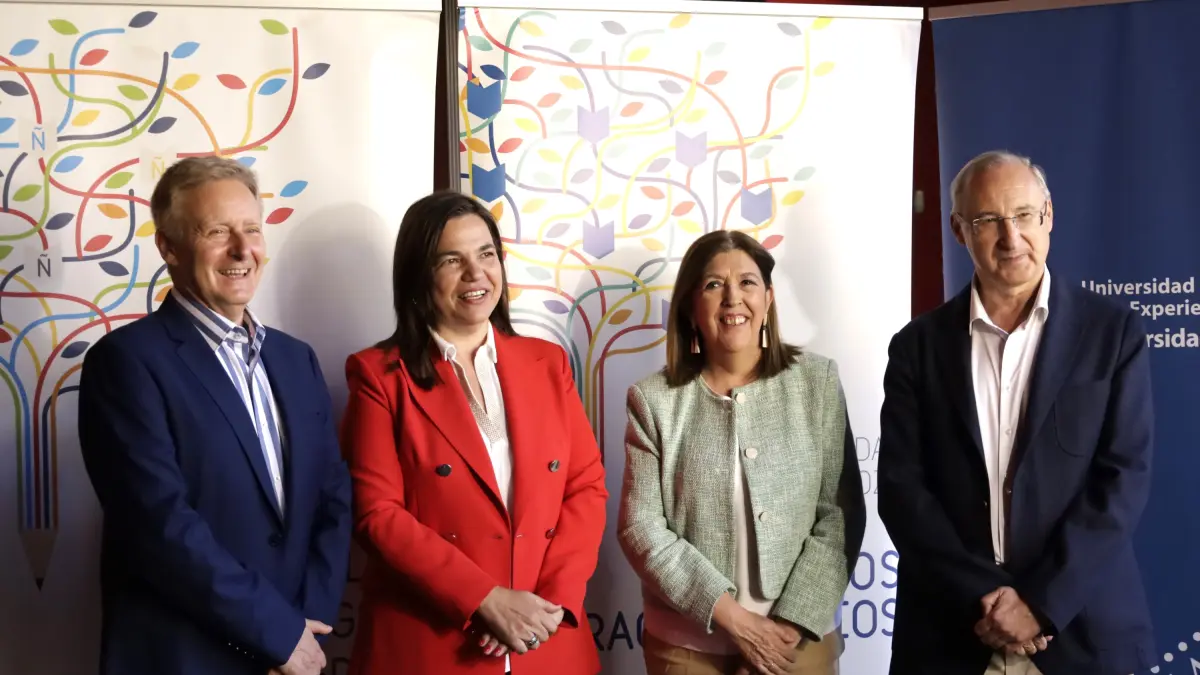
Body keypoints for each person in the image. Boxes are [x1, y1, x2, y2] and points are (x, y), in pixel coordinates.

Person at [878, 150, 1156, 675]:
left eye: (1024, 215)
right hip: (951, 636)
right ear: (959, 230)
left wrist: (1040, 604)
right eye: (988, 220)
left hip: (1081, 635)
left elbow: (1122, 480)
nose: (1011, 237)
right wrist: (983, 597)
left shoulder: (1112, 333)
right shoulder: (917, 347)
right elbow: (902, 489)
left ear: (1048, 215)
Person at [77, 156, 352, 675]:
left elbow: (332, 499)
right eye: (217, 232)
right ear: (169, 247)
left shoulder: (296, 359)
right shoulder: (125, 362)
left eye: (252, 229)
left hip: (298, 652)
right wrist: (276, 633)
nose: (242, 249)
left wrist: (305, 627)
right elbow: (158, 525)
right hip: (184, 657)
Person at [339, 190, 608, 675]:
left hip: (548, 640)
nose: (475, 273)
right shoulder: (379, 376)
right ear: (419, 275)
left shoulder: (547, 362)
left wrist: (551, 604)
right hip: (432, 646)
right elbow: (377, 513)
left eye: (486, 254)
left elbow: (585, 487)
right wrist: (483, 599)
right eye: (451, 260)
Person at [618, 230, 866, 675]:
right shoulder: (653, 400)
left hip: (797, 646)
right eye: (714, 285)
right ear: (691, 307)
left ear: (768, 298)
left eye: (747, 282)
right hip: (687, 648)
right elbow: (641, 528)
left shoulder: (817, 382)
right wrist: (736, 620)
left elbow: (840, 514)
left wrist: (783, 631)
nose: (733, 298)